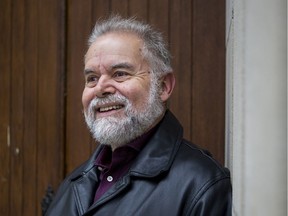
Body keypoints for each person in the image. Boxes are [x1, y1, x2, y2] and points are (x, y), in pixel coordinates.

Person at [46, 15, 232, 216]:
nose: (100, 88)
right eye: (92, 78)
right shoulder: (72, 185)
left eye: (120, 73)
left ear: (163, 86)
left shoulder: (202, 184)